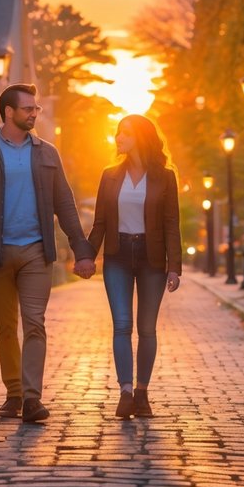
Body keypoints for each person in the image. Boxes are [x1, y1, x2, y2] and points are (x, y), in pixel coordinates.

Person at [0, 83, 95, 423]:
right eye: (27, 109)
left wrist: (82, 251)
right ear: (9, 112)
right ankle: (14, 394)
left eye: (36, 108)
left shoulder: (48, 154)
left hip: (37, 251)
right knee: (6, 328)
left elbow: (65, 204)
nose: (34, 113)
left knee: (34, 325)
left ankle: (32, 399)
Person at [87, 114, 182, 419]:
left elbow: (171, 224)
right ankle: (125, 392)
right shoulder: (110, 175)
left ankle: (142, 393)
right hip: (117, 255)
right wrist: (86, 255)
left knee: (147, 328)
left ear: (140, 137)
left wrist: (174, 266)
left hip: (151, 257)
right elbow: (100, 222)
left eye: (124, 132)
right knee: (122, 325)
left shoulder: (165, 177)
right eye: (116, 132)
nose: (118, 137)